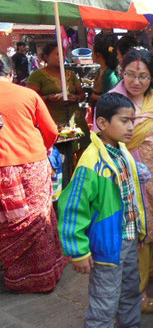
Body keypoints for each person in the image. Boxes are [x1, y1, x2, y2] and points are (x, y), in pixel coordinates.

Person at [105, 47, 153, 314]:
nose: (136, 82)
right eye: (130, 75)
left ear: (152, 77)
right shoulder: (111, 100)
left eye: (143, 76)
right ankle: (136, 292)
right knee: (138, 234)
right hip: (127, 178)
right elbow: (102, 139)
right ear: (122, 72)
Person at [58, 93, 146, 327]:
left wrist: (139, 174)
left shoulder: (122, 151)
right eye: (124, 121)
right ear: (103, 123)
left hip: (128, 238)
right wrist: (78, 250)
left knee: (130, 293)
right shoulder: (90, 162)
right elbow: (72, 208)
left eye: (133, 121)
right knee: (104, 303)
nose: (131, 127)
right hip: (107, 245)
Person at [0, 53, 68, 293]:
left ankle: (17, 277)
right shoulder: (28, 95)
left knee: (8, 225)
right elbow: (51, 131)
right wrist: (44, 148)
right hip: (33, 164)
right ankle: (45, 275)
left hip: (2, 171)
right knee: (40, 219)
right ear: (11, 74)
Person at [27, 42, 90, 150]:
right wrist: (47, 98)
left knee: (82, 151)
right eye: (57, 54)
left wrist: (77, 98)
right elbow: (30, 99)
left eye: (63, 54)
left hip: (75, 120)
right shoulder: (37, 76)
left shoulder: (71, 74)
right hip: (53, 122)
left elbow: (82, 95)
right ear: (47, 57)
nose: (62, 57)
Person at [90, 40, 119, 105]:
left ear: (98, 55)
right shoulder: (99, 70)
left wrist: (94, 97)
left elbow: (112, 99)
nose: (91, 55)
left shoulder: (110, 75)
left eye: (92, 52)